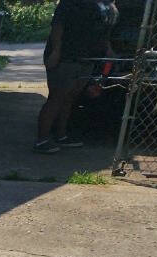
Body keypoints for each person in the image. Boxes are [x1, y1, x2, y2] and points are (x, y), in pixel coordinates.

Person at [36, 0, 118, 153]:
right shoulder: (70, 3)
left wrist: (108, 50)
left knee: (70, 97)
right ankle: (42, 140)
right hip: (66, 57)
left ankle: (61, 136)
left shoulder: (106, 8)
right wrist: (56, 51)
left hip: (87, 58)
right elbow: (57, 26)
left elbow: (102, 32)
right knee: (57, 97)